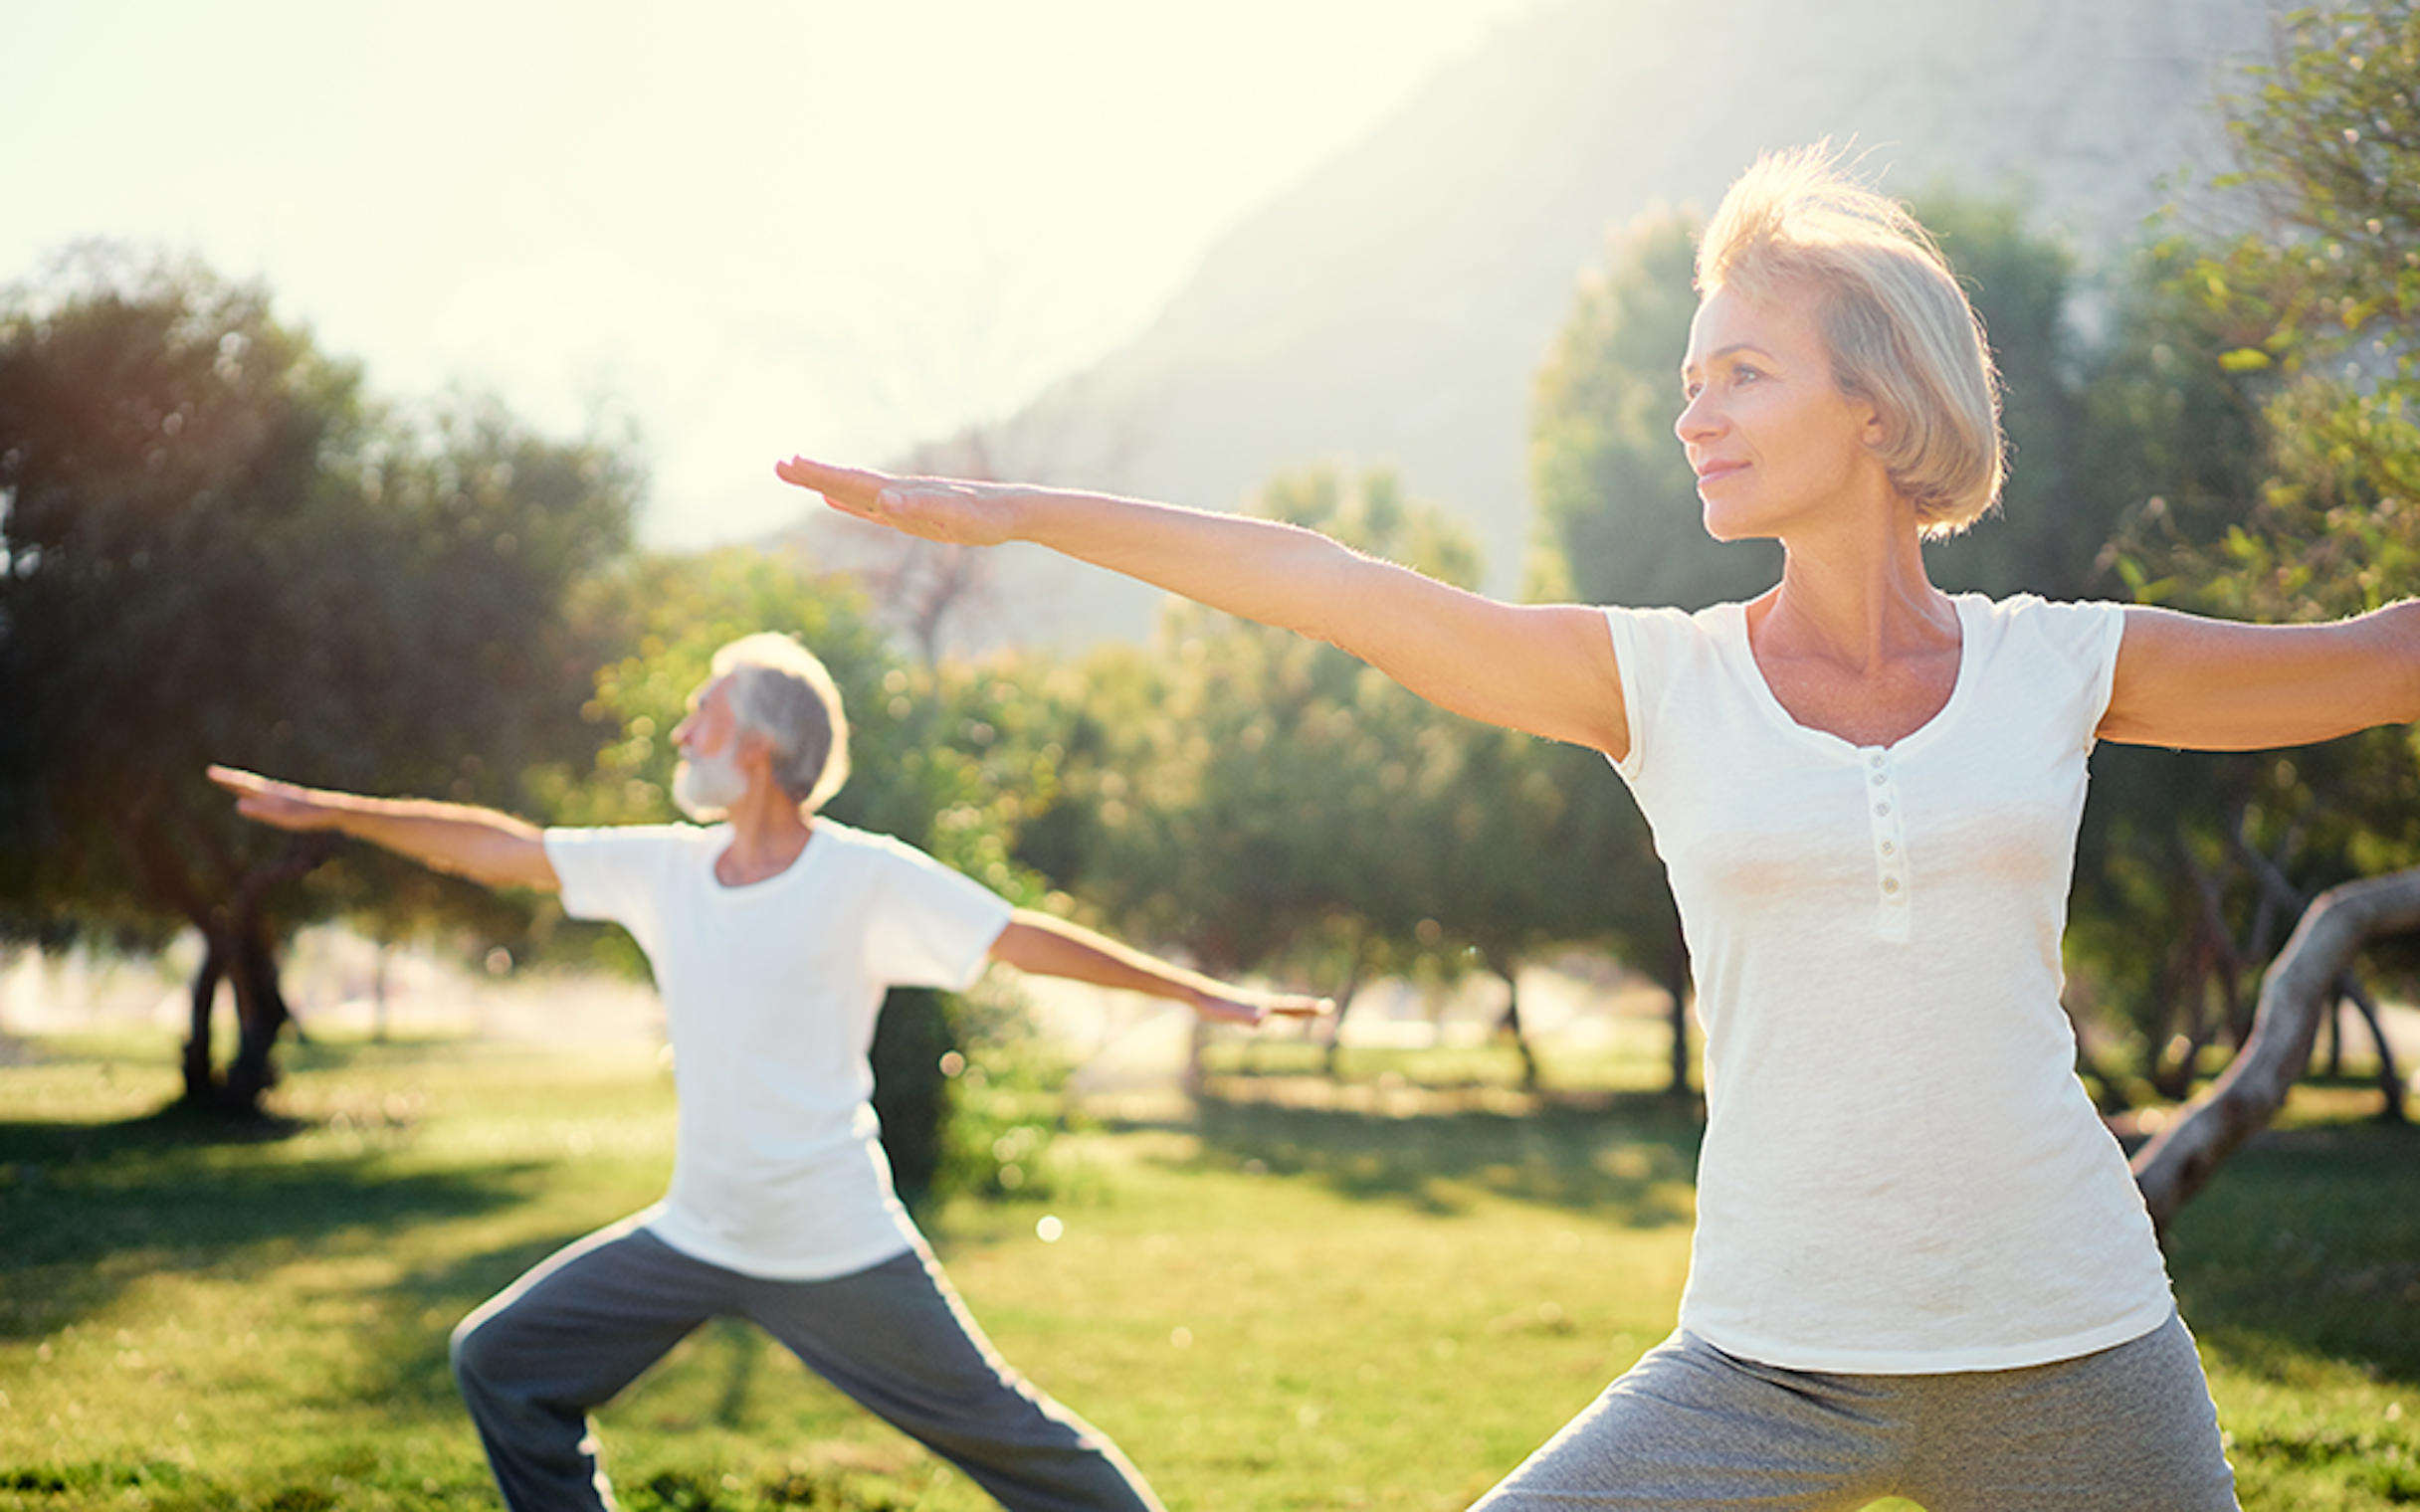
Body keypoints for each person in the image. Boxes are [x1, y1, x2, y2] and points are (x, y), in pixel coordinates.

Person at [773, 144, 2420, 1510]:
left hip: (2075, 1344)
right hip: (1768, 1360)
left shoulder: (2055, 665)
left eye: (1742, 375)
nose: (1692, 414)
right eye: (1686, 380)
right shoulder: (1657, 683)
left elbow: (2370, 662)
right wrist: (1009, 511)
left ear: (1875, 402)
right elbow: (1327, 584)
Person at [209, 631, 1325, 1512]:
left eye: (705, 707)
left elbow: (1019, 936)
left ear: (756, 745)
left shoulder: (862, 878)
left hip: (834, 1241)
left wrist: (1201, 994)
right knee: (501, 1361)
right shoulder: (665, 867)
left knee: (1019, 1442)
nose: (682, 725)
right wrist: (337, 814)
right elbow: (502, 845)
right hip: (697, 1231)